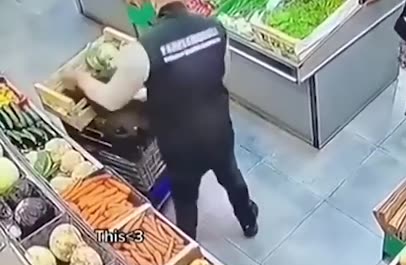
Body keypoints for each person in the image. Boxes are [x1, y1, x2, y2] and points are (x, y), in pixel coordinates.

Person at [62, 0, 259, 240]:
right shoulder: (215, 27)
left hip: (180, 145)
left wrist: (80, 78)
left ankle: (187, 245)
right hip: (218, 131)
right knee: (231, 176)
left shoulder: (143, 48)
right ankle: (248, 220)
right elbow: (221, 76)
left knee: (186, 199)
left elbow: (111, 100)